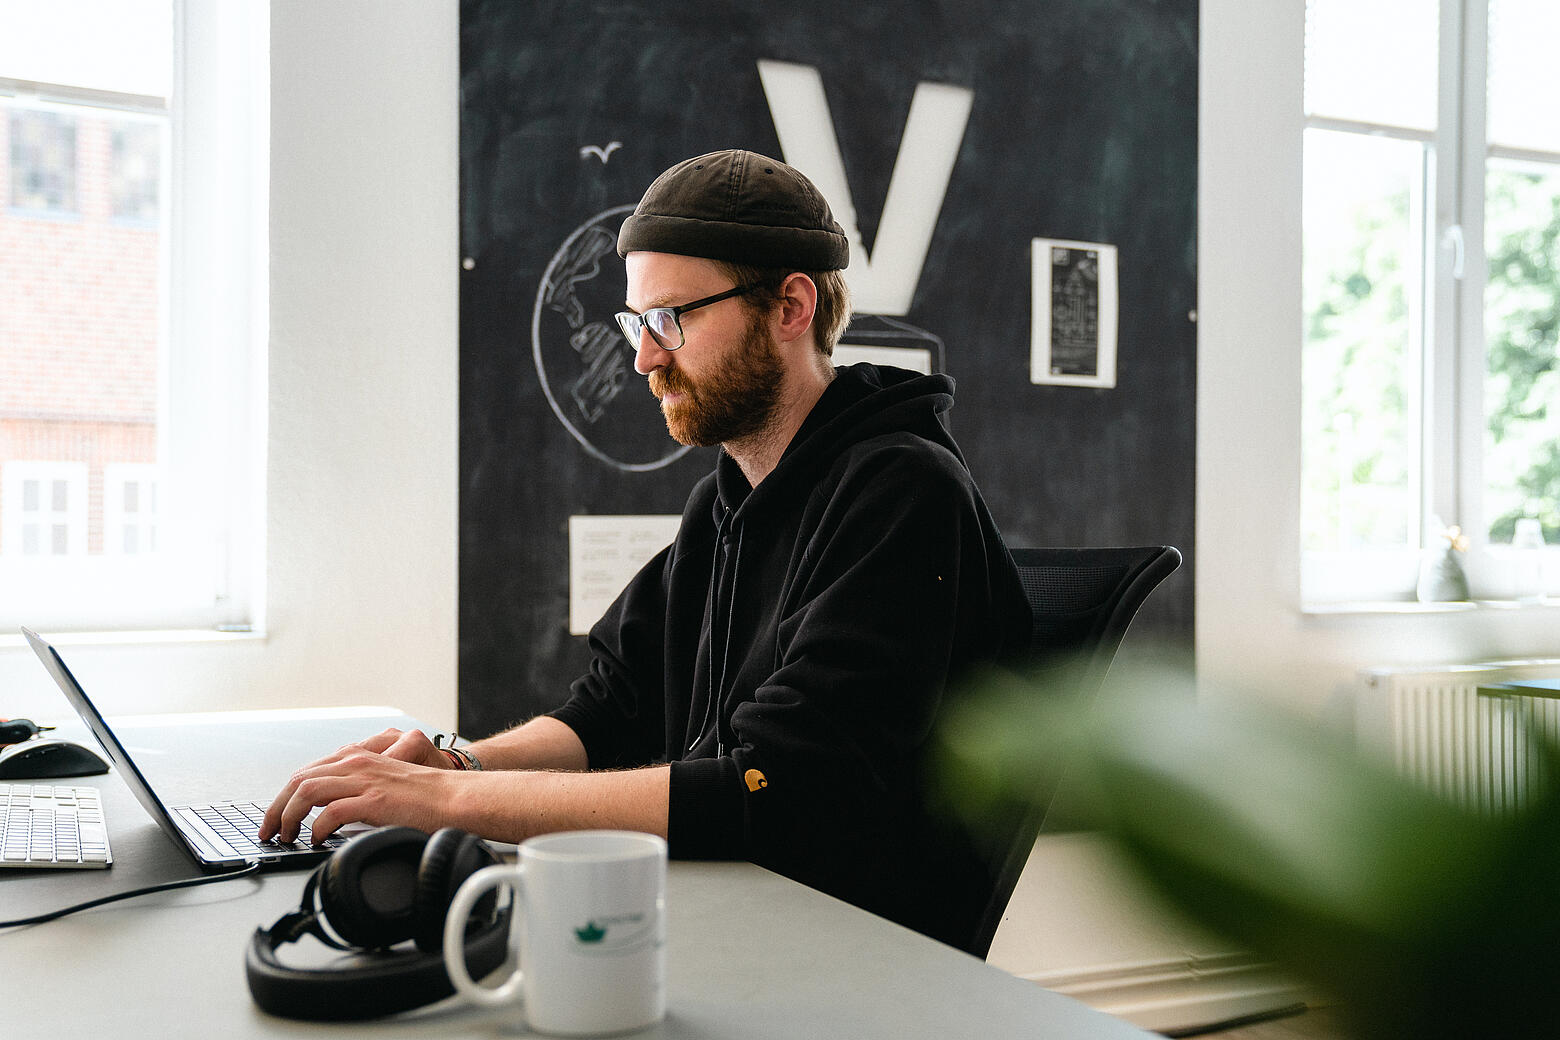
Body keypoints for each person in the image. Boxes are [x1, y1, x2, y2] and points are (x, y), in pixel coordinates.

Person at [261, 149, 1030, 950]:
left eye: (672, 319)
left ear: (790, 307)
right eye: (636, 322)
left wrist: (448, 808)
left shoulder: (904, 493)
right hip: (723, 916)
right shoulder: (723, 504)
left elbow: (776, 791)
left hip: (840, 953)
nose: (643, 357)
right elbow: (612, 709)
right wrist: (459, 768)